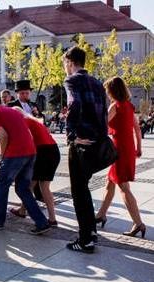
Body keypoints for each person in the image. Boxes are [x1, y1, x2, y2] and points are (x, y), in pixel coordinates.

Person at [0, 92, 50, 235]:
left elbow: (3, 135)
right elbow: (27, 133)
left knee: (2, 187)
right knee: (23, 189)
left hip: (14, 154)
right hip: (30, 152)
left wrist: (2, 155)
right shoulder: (13, 111)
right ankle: (42, 222)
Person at [63, 46, 108, 253]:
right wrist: (100, 136)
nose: (65, 68)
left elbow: (74, 105)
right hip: (96, 139)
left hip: (81, 142)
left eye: (65, 64)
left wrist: (71, 135)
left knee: (78, 191)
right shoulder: (98, 83)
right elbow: (103, 114)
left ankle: (85, 239)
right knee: (84, 189)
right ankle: (90, 233)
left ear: (70, 62)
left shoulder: (72, 80)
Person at [95, 77, 145, 238]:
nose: (107, 94)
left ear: (112, 91)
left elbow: (101, 125)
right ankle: (101, 215)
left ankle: (138, 223)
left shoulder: (115, 106)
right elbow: (137, 129)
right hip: (127, 148)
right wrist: (138, 148)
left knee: (123, 187)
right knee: (110, 182)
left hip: (118, 150)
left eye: (108, 91)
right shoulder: (129, 106)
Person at [9, 107, 61, 226]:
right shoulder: (32, 120)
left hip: (43, 152)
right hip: (53, 150)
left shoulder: (24, 122)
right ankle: (23, 210)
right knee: (34, 185)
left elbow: (25, 142)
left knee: (39, 186)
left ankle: (52, 219)